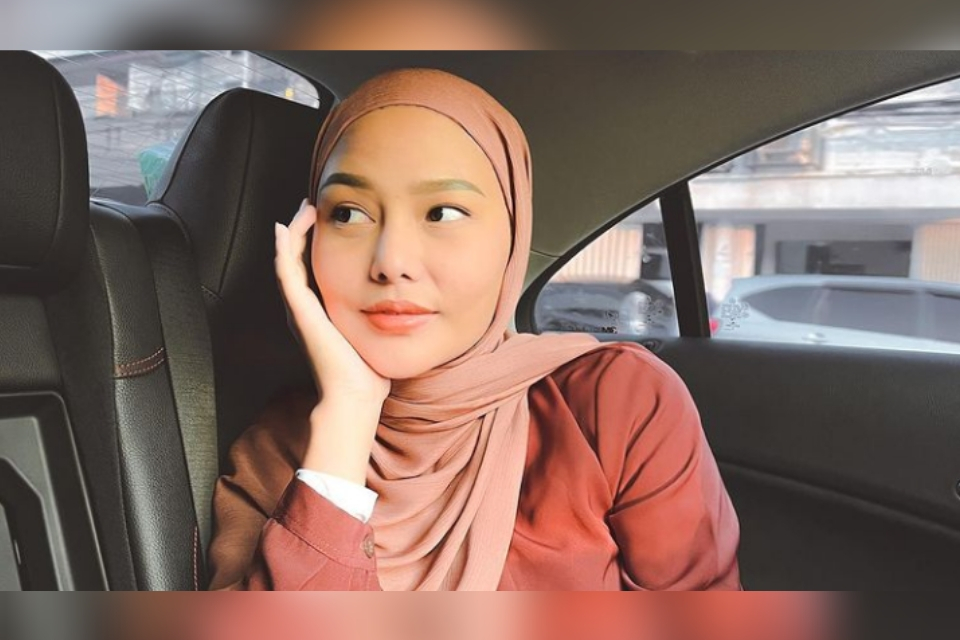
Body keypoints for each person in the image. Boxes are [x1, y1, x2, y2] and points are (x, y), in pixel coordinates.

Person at [206, 67, 741, 591]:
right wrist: (348, 413)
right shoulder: (277, 452)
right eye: (348, 214)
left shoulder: (615, 403)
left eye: (442, 212)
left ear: (512, 239)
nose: (392, 262)